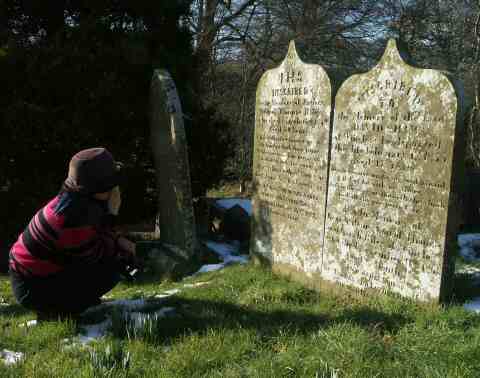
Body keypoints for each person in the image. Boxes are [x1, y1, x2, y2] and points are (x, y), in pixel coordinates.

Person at [8, 147, 137, 320]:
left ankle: (66, 302)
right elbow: (97, 256)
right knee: (112, 271)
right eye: (111, 185)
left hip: (32, 276)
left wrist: (118, 239)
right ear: (96, 188)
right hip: (30, 288)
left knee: (113, 260)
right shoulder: (73, 219)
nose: (115, 189)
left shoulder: (73, 202)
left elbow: (96, 237)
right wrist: (112, 215)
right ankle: (57, 309)